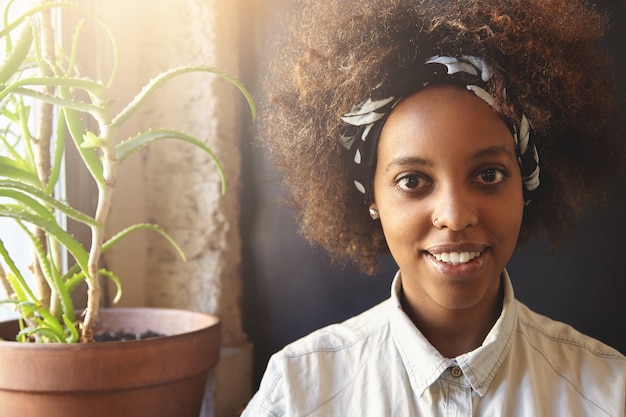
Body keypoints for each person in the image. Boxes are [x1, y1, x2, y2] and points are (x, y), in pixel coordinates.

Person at [242, 0, 626, 415]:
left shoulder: (608, 392)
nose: (455, 216)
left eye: (489, 175)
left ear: (525, 186)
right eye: (412, 181)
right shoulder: (300, 393)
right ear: (372, 197)